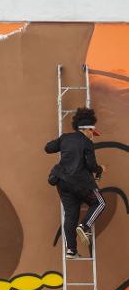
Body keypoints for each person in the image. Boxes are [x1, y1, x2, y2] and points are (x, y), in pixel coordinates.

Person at [45, 108, 106, 259]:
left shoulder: (65, 138)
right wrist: (101, 169)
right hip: (81, 183)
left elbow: (48, 148)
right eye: (92, 132)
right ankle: (84, 226)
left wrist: (61, 143)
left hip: (62, 183)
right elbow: (92, 166)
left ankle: (71, 250)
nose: (93, 136)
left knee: (71, 215)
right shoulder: (87, 143)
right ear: (86, 130)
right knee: (100, 203)